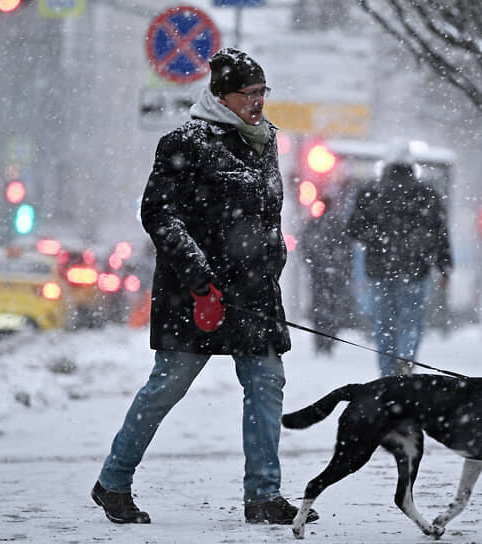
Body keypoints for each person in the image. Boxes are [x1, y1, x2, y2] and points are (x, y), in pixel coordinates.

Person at [91, 48, 318, 527]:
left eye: (263, 92)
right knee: (166, 386)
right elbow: (158, 214)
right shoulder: (186, 141)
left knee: (266, 383)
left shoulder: (267, 140)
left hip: (253, 293)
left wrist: (272, 260)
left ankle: (263, 495)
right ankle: (112, 482)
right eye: (249, 93)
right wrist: (199, 276)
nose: (259, 102)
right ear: (222, 96)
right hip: (196, 295)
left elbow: (267, 217)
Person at [346, 163, 452, 376]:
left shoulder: (372, 192)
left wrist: (376, 240)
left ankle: (387, 374)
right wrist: (444, 266)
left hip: (381, 270)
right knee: (411, 321)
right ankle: (406, 360)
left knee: (384, 324)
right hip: (415, 270)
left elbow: (354, 228)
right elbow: (439, 232)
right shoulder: (426, 193)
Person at [299, 196, 354, 355]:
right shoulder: (338, 225)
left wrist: (313, 263)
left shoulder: (313, 225)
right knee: (332, 306)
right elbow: (347, 249)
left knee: (319, 306)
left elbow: (305, 246)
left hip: (319, 273)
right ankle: (329, 339)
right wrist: (342, 268)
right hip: (334, 274)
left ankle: (320, 340)